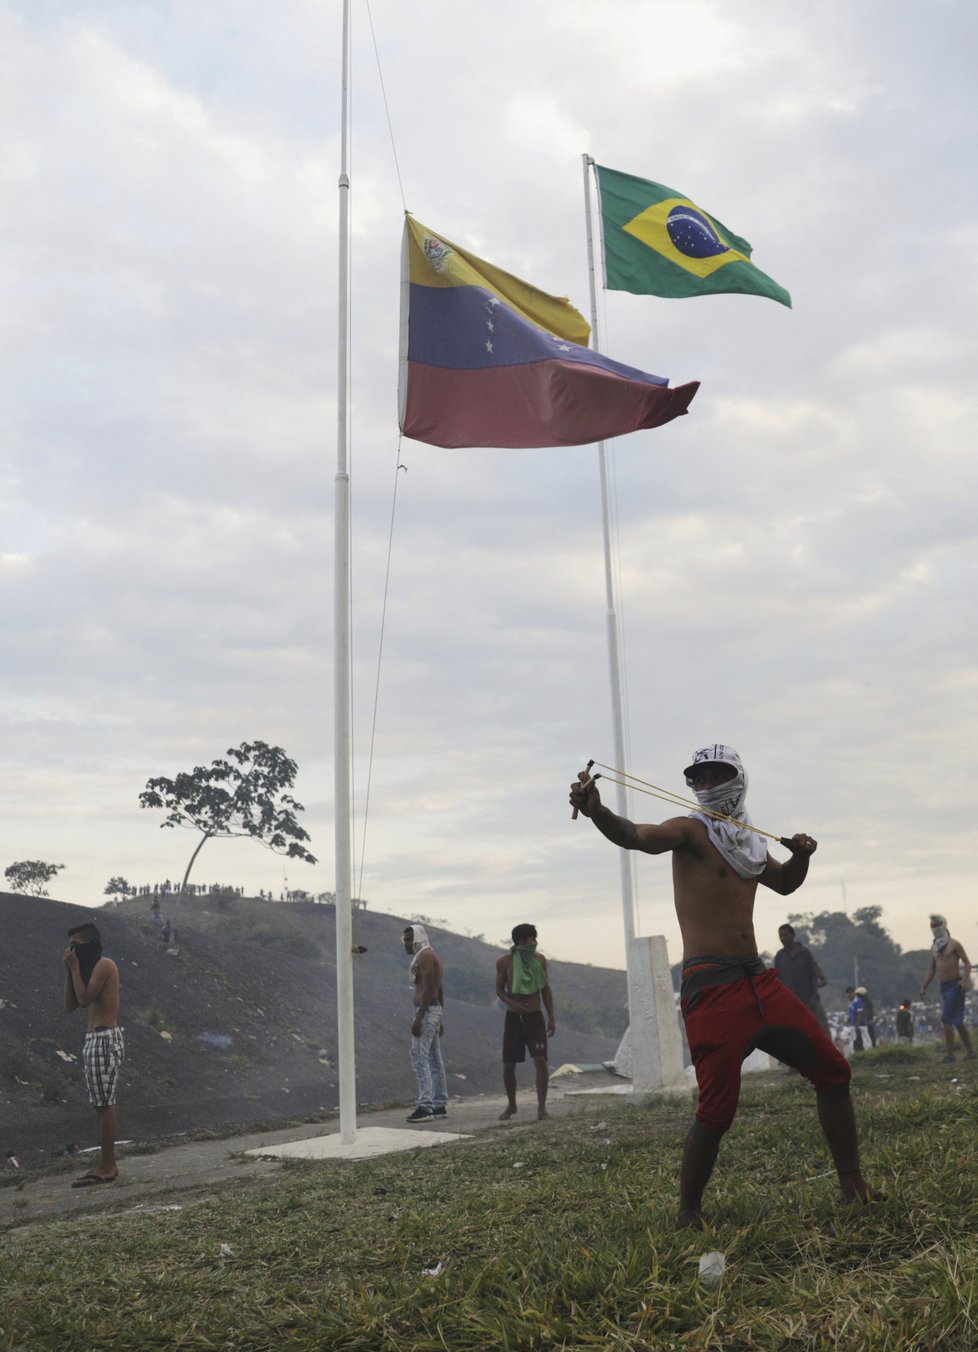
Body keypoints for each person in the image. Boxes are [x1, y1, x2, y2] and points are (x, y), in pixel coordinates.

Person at [570, 744, 878, 1230]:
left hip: (758, 979)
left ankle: (852, 1184)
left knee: (834, 1072)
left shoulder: (747, 841)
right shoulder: (691, 830)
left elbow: (784, 883)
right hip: (711, 987)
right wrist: (597, 811)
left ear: (737, 777)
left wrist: (801, 856)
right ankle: (688, 1214)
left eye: (717, 776)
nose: (707, 786)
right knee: (716, 1110)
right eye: (700, 778)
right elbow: (637, 836)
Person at [63, 921, 124, 1186]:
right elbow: (71, 1004)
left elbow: (86, 998)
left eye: (75, 945)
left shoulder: (104, 965)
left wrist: (75, 967)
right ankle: (105, 1163)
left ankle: (107, 1166)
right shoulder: (87, 970)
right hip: (93, 1039)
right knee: (100, 1104)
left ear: (89, 944)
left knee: (104, 1104)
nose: (72, 950)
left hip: (104, 1038)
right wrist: (70, 971)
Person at [495, 923, 556, 1122]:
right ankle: (512, 1105)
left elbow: (545, 989)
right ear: (521, 941)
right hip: (514, 1017)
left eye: (534, 939)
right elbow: (499, 990)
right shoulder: (505, 962)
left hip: (535, 1016)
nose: (533, 943)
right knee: (509, 1064)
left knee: (540, 1060)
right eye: (530, 939)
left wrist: (552, 1017)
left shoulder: (539, 960)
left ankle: (542, 1109)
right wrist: (513, 1003)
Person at [402, 924, 448, 1122]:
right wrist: (440, 1017)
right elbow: (439, 989)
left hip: (427, 1011)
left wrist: (420, 1018)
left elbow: (430, 988)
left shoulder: (426, 957)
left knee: (420, 1058)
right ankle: (439, 1104)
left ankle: (425, 1106)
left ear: (418, 938)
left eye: (408, 939)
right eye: (404, 940)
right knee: (434, 1060)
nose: (406, 943)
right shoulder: (427, 955)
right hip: (432, 1011)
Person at [918, 914, 976, 1063]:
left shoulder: (954, 944)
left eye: (937, 925)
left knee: (946, 1018)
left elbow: (967, 963)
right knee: (958, 1021)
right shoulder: (934, 948)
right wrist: (924, 987)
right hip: (943, 986)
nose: (935, 929)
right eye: (932, 926)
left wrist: (964, 980)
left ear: (944, 925)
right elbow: (932, 969)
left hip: (955, 985)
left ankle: (950, 1054)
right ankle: (971, 1052)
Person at [774, 924, 830, 1035]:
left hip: (811, 1002)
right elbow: (778, 982)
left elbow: (817, 977)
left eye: (785, 935)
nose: (783, 939)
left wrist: (812, 997)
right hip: (791, 1005)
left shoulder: (805, 953)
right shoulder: (779, 957)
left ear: (793, 935)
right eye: (780, 936)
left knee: (824, 1032)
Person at [845, 986, 867, 1051]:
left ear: (854, 993)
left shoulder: (858, 1001)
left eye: (850, 993)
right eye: (848, 993)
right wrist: (847, 1021)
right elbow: (851, 1015)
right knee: (852, 1043)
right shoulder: (850, 1003)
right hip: (853, 1025)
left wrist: (857, 1024)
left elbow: (860, 1013)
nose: (849, 995)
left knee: (866, 1042)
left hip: (861, 1025)